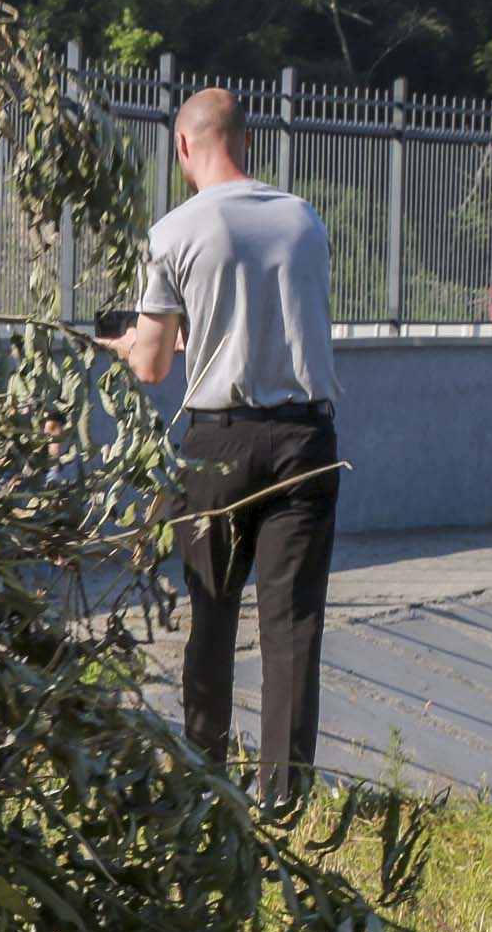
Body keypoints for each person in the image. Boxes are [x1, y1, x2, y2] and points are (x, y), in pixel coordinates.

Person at [99, 86, 340, 808]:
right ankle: (284, 794)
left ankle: (203, 779)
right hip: (306, 437)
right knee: (292, 623)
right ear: (248, 142)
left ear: (183, 145)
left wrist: (119, 343)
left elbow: (153, 365)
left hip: (218, 442)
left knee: (213, 608)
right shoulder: (305, 220)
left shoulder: (174, 232)